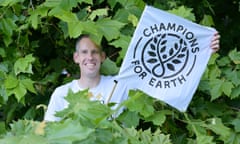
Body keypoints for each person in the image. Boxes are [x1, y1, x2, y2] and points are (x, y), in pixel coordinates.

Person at [44, 33, 220, 122]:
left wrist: (204, 50)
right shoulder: (62, 94)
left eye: (94, 52)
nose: (90, 57)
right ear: (76, 57)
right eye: (84, 52)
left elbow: (163, 76)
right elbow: (50, 134)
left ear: (103, 56)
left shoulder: (120, 85)